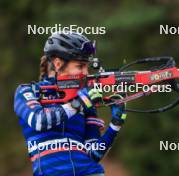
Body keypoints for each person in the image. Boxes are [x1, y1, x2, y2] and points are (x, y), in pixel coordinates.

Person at [14, 31, 127, 176]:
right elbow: (39, 120)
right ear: (58, 64)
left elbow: (93, 154)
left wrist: (114, 126)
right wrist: (77, 104)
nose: (86, 72)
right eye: (80, 66)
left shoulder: (84, 100)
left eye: (87, 66)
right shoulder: (28, 92)